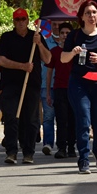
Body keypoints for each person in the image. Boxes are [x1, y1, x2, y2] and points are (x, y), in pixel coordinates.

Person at [62, 0, 97, 173]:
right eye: (88, 13)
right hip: (79, 83)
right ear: (81, 16)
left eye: (94, 12)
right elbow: (63, 58)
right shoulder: (74, 35)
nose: (92, 16)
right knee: (83, 120)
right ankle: (84, 159)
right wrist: (73, 52)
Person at [0, 8, 51, 165]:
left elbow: (47, 59)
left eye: (23, 19)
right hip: (11, 85)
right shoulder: (7, 38)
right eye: (17, 19)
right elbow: (1, 60)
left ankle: (29, 153)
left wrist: (39, 43)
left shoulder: (36, 37)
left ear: (28, 20)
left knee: (31, 120)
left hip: (31, 85)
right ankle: (11, 152)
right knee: (12, 118)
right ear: (14, 22)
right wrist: (22, 66)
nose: (20, 22)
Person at [45, 22, 76, 159]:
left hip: (75, 90)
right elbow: (49, 72)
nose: (64, 36)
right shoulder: (55, 52)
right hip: (59, 89)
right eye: (62, 33)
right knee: (61, 120)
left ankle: (71, 147)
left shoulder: (76, 52)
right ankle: (61, 148)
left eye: (67, 33)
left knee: (73, 120)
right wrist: (47, 93)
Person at [40, 21, 61, 155]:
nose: (57, 27)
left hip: (64, 86)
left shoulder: (69, 43)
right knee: (48, 117)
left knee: (62, 117)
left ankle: (62, 144)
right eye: (54, 24)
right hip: (46, 85)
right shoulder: (45, 43)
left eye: (59, 24)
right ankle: (48, 143)